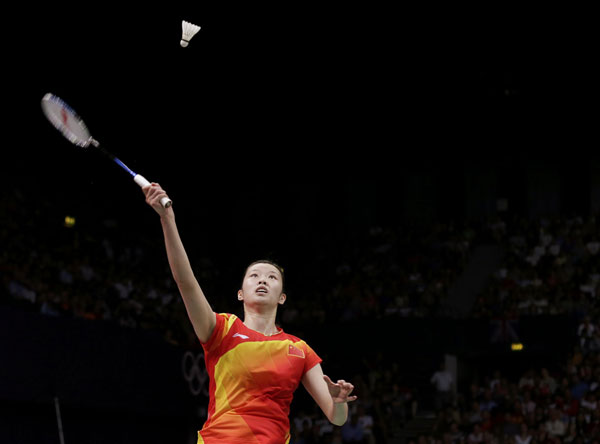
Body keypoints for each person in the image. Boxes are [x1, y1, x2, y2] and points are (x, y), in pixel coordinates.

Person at [142, 183, 357, 444]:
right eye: (254, 276)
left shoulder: (299, 349)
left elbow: (336, 418)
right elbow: (185, 281)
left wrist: (339, 402)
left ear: (282, 297)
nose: (262, 280)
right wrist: (168, 219)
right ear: (240, 293)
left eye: (272, 277)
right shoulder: (221, 329)